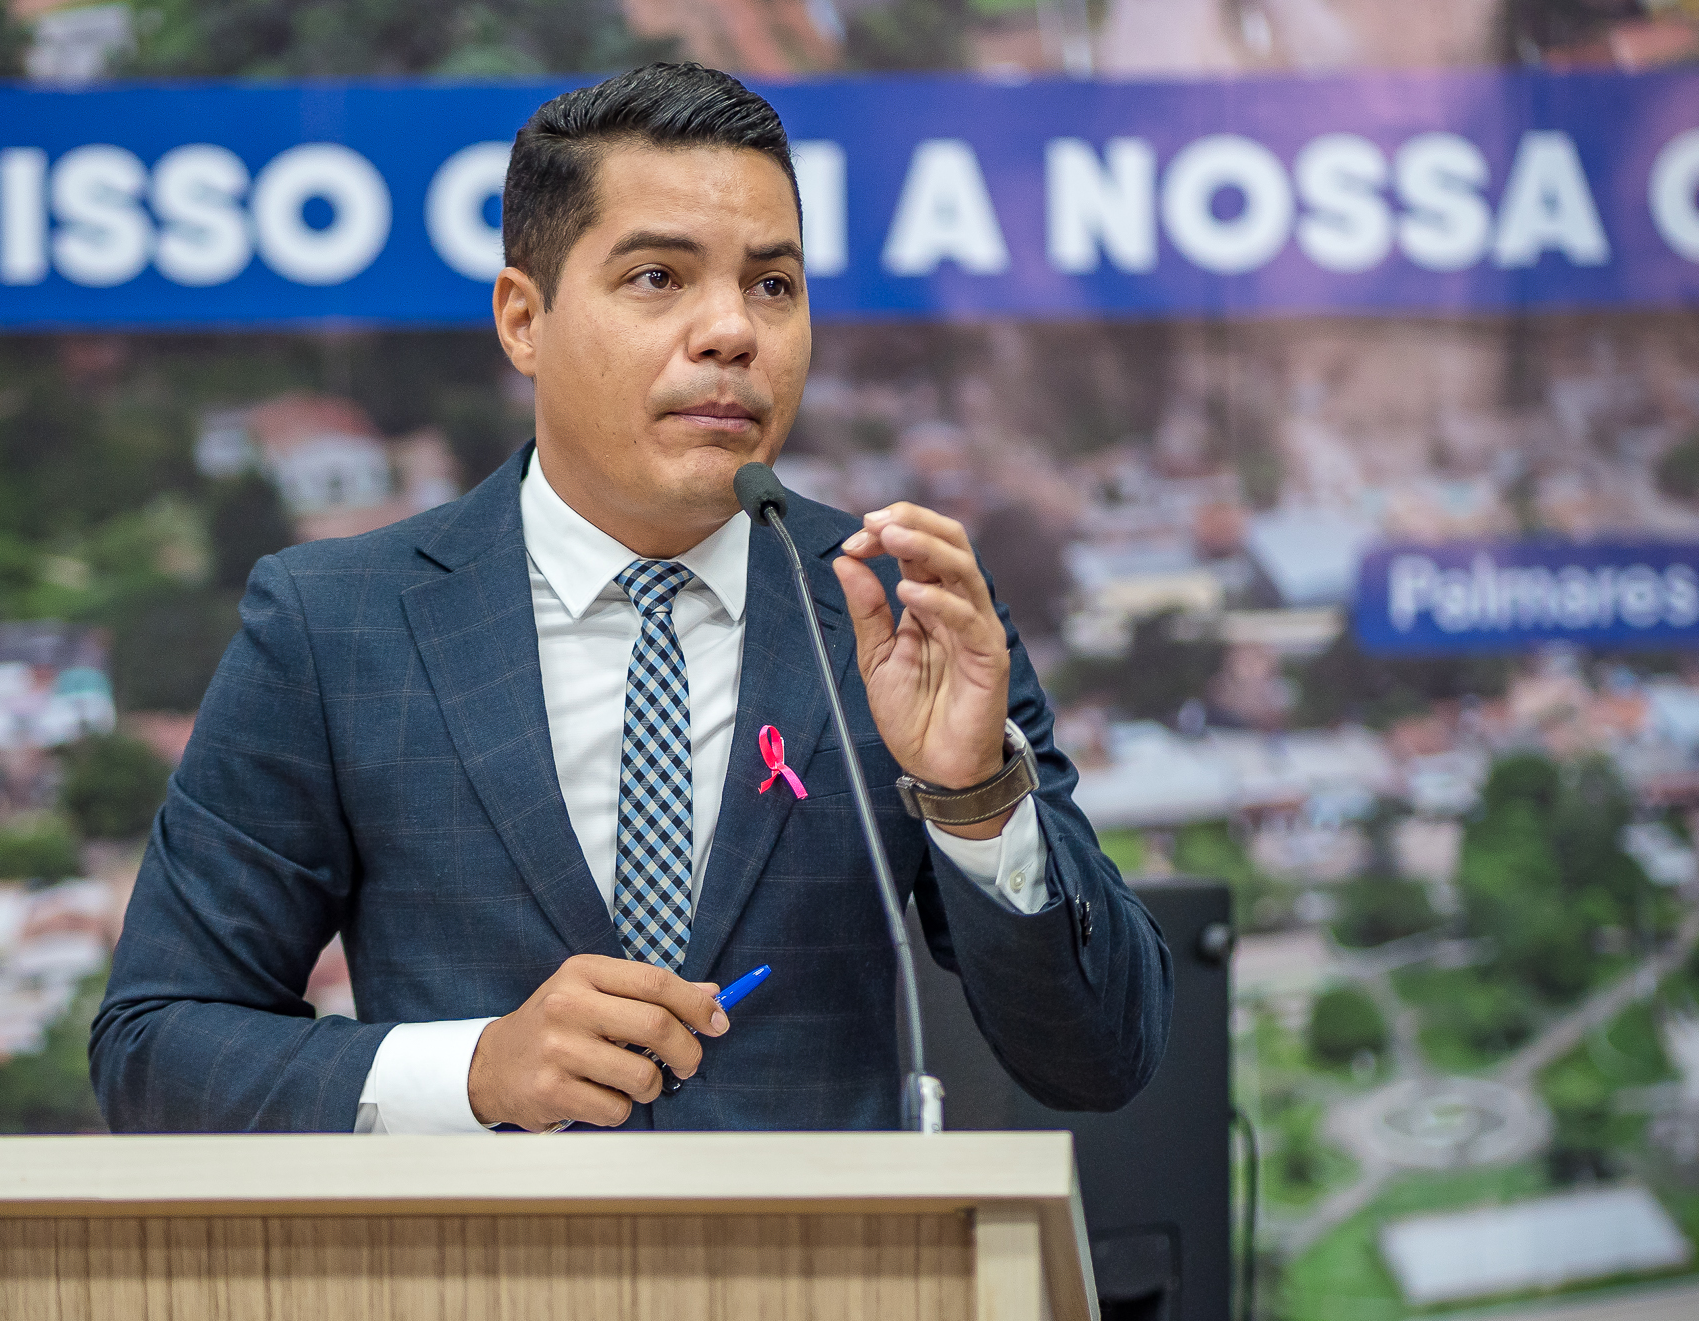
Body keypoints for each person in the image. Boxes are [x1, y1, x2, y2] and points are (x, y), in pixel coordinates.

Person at [90, 62, 1170, 1135]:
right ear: (524, 319)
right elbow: (154, 1047)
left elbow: (1102, 1057)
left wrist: (975, 798)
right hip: (473, 1250)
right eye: (658, 277)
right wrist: (475, 1072)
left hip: (822, 1252)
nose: (731, 331)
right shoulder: (338, 626)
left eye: (772, 285)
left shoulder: (896, 612)